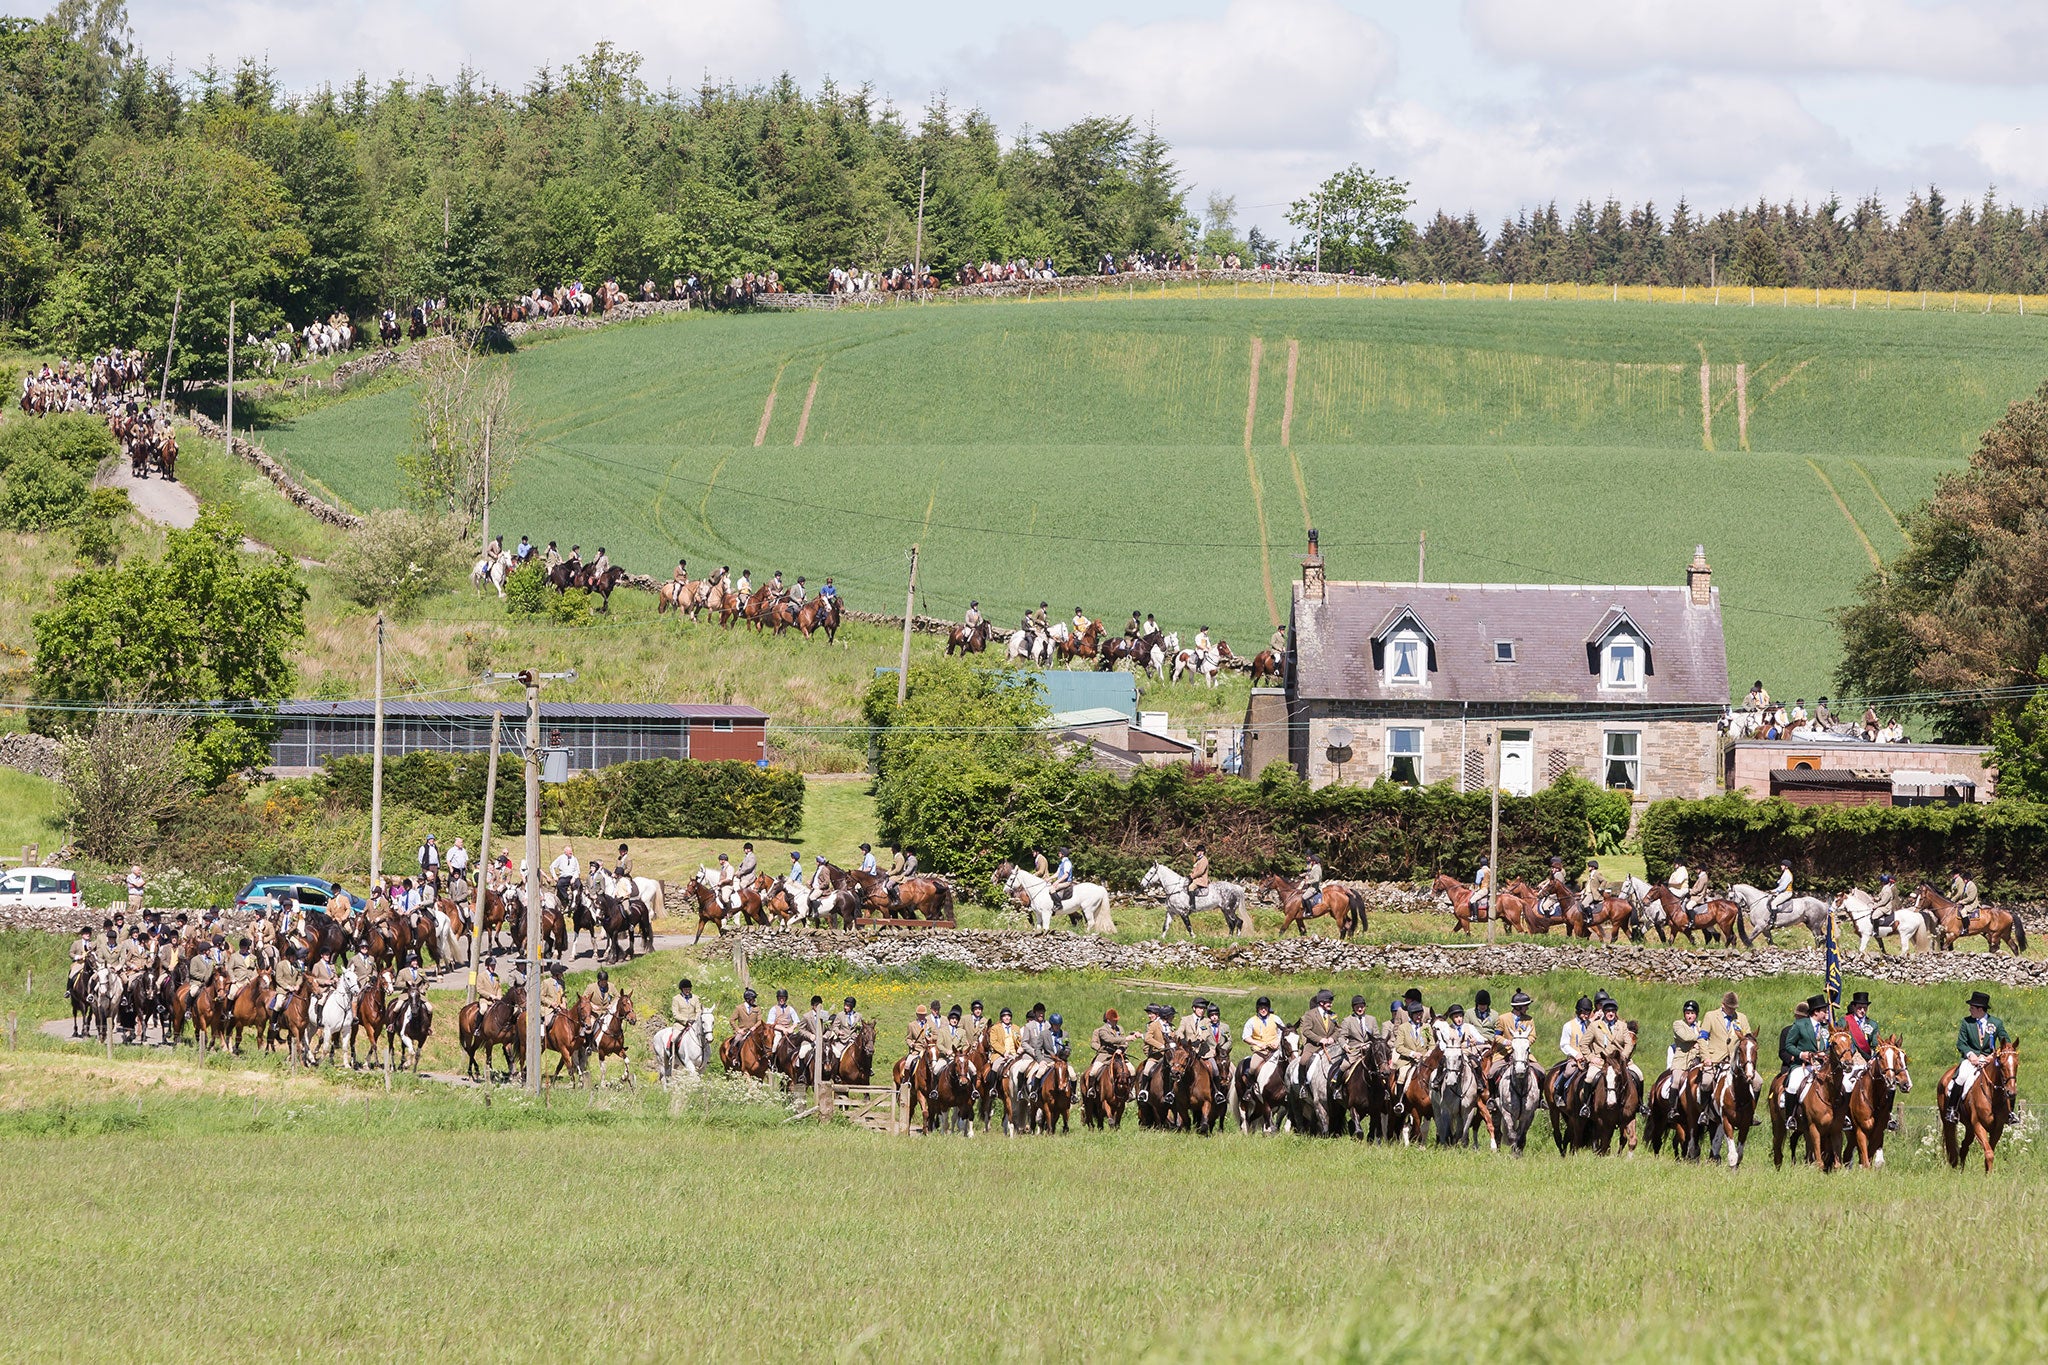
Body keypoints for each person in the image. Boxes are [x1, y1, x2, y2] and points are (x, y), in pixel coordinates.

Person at [1946, 990, 2012, 1124]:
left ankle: (2010, 1113)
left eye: (1972, 1008)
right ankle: (1952, 1109)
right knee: (1961, 1077)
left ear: (1980, 1009)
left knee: (2007, 1078)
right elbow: (1961, 1043)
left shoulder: (1996, 1023)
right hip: (1971, 1060)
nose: (1970, 1010)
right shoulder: (1966, 1022)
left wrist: (1992, 1056)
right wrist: (1971, 1056)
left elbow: (2007, 1043)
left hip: (1990, 1060)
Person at [1778, 999, 1821, 1115]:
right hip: (1793, 1064)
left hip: (1814, 1064)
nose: (1800, 1019)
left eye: (1803, 1017)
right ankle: (1790, 1115)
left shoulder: (1816, 1029)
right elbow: (1783, 1051)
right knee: (1792, 1085)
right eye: (1798, 1017)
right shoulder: (1787, 1031)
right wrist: (1795, 1058)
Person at [1557, 996, 1598, 1116]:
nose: (1586, 1015)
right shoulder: (1568, 1026)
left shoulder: (1592, 1025)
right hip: (1575, 1059)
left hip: (1590, 1058)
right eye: (1584, 1012)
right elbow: (1564, 1044)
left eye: (1588, 1012)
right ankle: (1559, 1093)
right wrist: (1576, 1054)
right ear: (1578, 1011)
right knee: (1569, 1072)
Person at [1665, 1000, 1705, 1092]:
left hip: (1699, 1059)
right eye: (1687, 1013)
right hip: (1682, 1061)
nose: (1690, 1016)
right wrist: (1700, 1038)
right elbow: (1685, 1037)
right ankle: (1673, 1105)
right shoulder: (1678, 1024)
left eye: (1692, 1013)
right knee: (1676, 1080)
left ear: (1696, 1014)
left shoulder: (1701, 1025)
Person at [1088, 1009, 1129, 1082]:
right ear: (1108, 1020)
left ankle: (1128, 1090)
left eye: (1117, 1020)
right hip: (1105, 1056)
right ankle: (1092, 1089)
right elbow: (1110, 1040)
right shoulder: (1101, 1030)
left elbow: (1125, 1043)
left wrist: (1121, 1049)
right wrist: (1100, 1049)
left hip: (1119, 1056)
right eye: (1114, 1020)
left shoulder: (1120, 1029)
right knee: (1093, 1072)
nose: (1116, 1021)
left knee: (1132, 1071)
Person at [765, 988, 799, 1056]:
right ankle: (772, 1062)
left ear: (786, 999)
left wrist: (791, 1028)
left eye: (783, 998)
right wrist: (783, 1029)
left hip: (788, 1030)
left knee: (797, 1042)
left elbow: (796, 1021)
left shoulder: (790, 1008)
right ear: (777, 998)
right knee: (775, 1045)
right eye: (780, 998)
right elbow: (770, 1023)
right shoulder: (773, 1009)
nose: (781, 1000)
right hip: (778, 1031)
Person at [549, 844, 579, 910]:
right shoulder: (561, 858)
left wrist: (574, 878)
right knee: (559, 885)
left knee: (579, 885)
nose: (571, 853)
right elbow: (552, 867)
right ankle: (567, 898)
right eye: (569, 851)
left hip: (572, 877)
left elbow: (577, 870)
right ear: (565, 852)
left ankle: (577, 901)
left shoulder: (574, 859)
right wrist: (554, 876)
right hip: (564, 877)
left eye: (571, 851)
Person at [1187, 845, 1210, 914]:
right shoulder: (1199, 860)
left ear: (1201, 852)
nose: (1196, 853)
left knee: (1191, 887)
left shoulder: (1204, 860)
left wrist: (1192, 876)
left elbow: (1200, 871)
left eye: (1197, 851)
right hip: (1196, 878)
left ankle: (1192, 906)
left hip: (1201, 879)